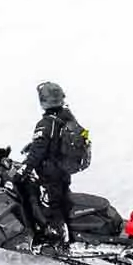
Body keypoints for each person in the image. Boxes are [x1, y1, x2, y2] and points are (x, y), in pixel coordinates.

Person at [19, 81, 80, 249]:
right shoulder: (66, 115)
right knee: (62, 197)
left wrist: (25, 169)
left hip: (50, 171)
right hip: (64, 168)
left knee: (51, 204)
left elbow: (39, 151)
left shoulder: (46, 123)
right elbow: (56, 141)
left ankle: (59, 238)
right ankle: (68, 228)